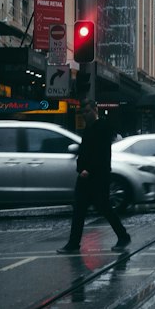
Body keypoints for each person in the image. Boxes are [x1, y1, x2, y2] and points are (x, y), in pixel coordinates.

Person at [58, 104, 131, 253]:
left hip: (98, 176)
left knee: (103, 207)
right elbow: (84, 152)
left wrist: (88, 169)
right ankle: (74, 243)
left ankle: (123, 235)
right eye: (82, 112)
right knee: (80, 209)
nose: (84, 114)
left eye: (87, 111)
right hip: (86, 175)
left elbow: (101, 153)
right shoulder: (88, 128)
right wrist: (81, 168)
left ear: (95, 110)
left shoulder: (102, 127)